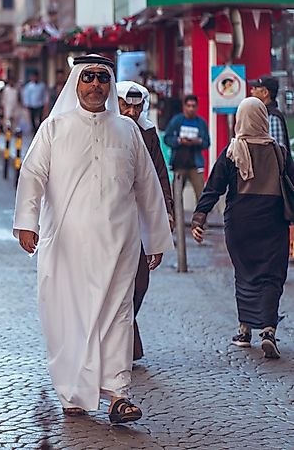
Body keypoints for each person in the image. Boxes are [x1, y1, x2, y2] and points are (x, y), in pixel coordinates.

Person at [13, 54, 173, 423]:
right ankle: (73, 391)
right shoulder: (55, 127)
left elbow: (147, 186)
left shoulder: (128, 130)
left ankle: (119, 394)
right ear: (76, 84)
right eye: (89, 78)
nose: (96, 84)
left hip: (120, 242)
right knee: (70, 317)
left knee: (118, 315)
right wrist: (27, 221)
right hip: (66, 244)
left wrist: (157, 239)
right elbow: (33, 175)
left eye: (103, 77)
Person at [192, 97, 293, 358]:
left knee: (245, 274)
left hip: (240, 223)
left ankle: (245, 329)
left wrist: (200, 216)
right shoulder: (279, 151)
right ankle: (268, 329)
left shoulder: (232, 151)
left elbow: (214, 186)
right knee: (272, 275)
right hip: (273, 221)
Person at [117, 81, 175, 361]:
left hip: (140, 216)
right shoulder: (106, 130)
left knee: (139, 283)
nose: (130, 111)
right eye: (125, 105)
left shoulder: (148, 132)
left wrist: (167, 210)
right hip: (111, 217)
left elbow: (159, 172)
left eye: (136, 106)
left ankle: (123, 337)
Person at [164, 95, 210, 202]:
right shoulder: (177, 121)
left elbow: (207, 142)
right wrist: (179, 141)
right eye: (188, 106)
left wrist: (198, 141)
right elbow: (167, 138)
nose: (191, 109)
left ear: (197, 107)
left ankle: (200, 217)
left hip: (195, 164)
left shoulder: (201, 123)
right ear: (184, 107)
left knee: (201, 195)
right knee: (176, 196)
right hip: (179, 164)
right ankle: (175, 218)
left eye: (193, 106)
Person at [250, 75, 290, 154]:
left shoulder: (272, 117)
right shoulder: (264, 114)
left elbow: (278, 152)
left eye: (255, 89)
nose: (252, 91)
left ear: (265, 93)